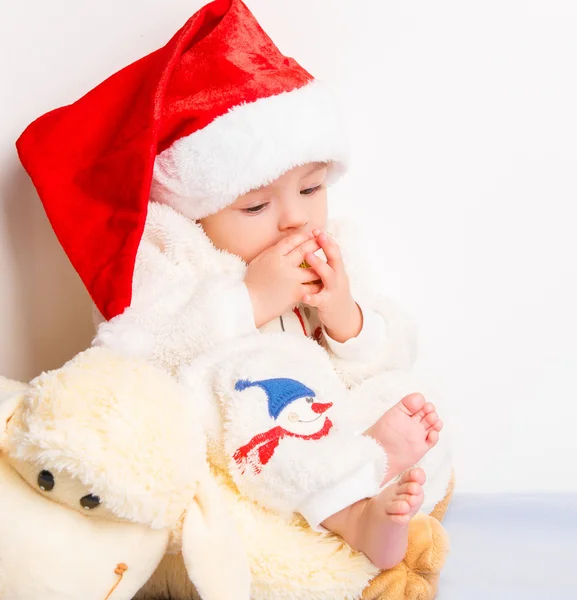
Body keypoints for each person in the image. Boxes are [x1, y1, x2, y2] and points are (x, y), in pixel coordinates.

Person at [16, 0, 451, 570]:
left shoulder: (333, 248)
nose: (295, 218)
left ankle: (368, 467)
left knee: (407, 400)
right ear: (197, 212)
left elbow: (381, 357)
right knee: (253, 385)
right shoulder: (175, 256)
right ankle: (350, 512)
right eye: (255, 205)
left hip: (327, 418)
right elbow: (143, 346)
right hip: (242, 431)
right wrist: (252, 298)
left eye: (312, 188)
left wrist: (346, 315)